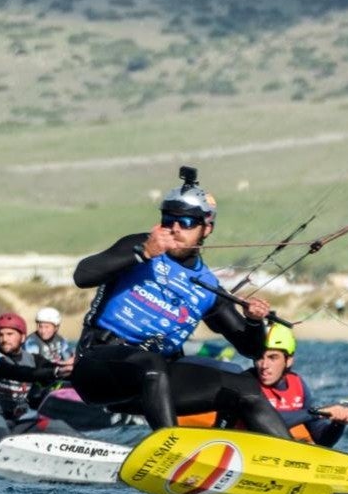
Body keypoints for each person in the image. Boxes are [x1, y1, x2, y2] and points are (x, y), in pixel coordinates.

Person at [69, 166, 292, 438]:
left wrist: (254, 322)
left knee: (245, 389)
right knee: (152, 365)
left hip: (153, 385)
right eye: (168, 219)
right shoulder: (141, 246)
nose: (174, 228)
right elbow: (83, 275)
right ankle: (173, 448)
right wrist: (144, 253)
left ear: (206, 228)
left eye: (186, 222)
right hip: (98, 368)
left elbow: (252, 348)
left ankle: (298, 461)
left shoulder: (207, 288)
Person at [0, 313, 63, 457]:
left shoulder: (32, 360)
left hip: (10, 429)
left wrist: (69, 371)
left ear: (22, 337)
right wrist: (54, 372)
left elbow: (39, 393)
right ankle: (15, 458)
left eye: (10, 334)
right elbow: (13, 371)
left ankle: (93, 455)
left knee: (54, 424)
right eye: (0, 335)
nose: (4, 339)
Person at [250, 324, 348, 447]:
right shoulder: (247, 382)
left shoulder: (298, 385)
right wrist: (317, 413)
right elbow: (264, 422)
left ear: (289, 360)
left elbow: (322, 440)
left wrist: (339, 423)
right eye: (259, 358)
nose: (264, 365)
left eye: (273, 358)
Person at [23, 307, 75, 408]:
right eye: (40, 326)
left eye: (47, 327)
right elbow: (35, 363)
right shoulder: (31, 342)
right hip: (37, 382)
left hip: (56, 379)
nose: (42, 330)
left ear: (56, 327)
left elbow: (68, 358)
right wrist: (61, 365)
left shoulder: (61, 340)